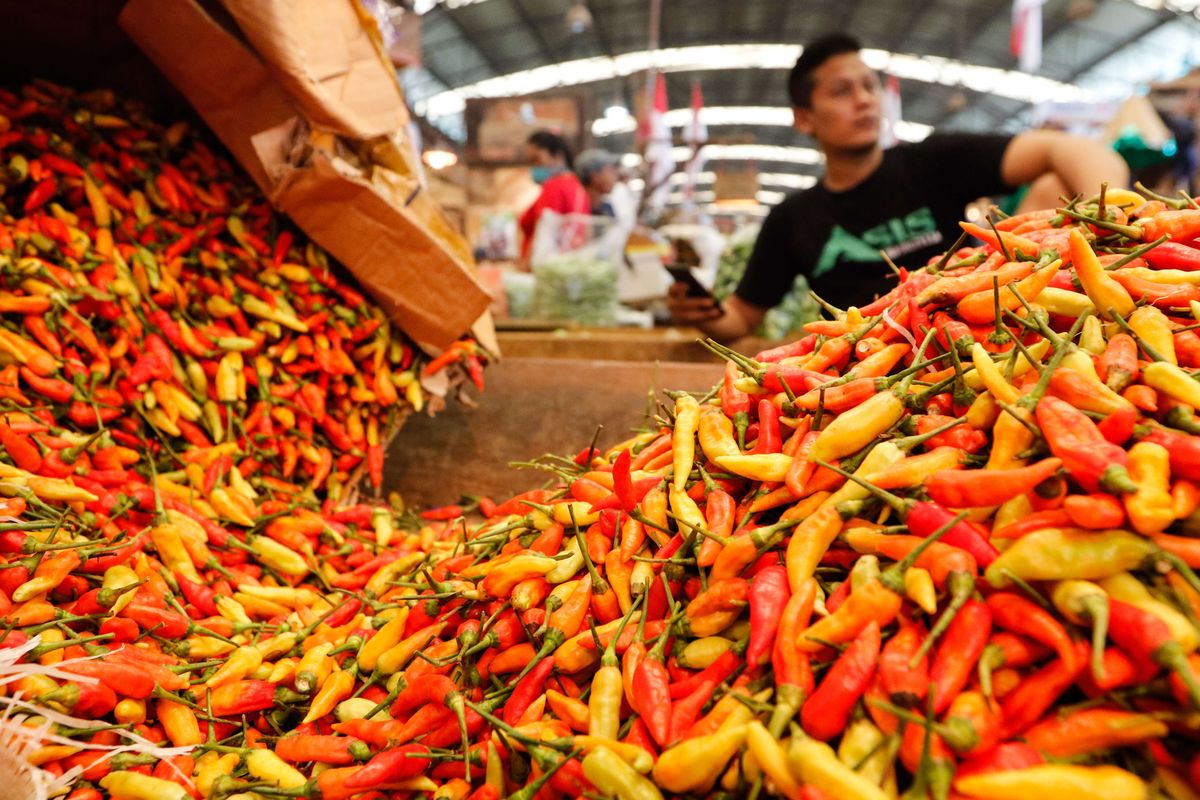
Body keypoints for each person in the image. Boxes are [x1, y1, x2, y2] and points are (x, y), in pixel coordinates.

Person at [668, 33, 1131, 341]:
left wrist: (1104, 224)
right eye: (842, 91)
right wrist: (701, 313)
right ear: (804, 118)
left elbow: (1073, 151)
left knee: (1054, 183)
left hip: (968, 338)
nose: (865, 99)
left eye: (870, 87)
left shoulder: (931, 161)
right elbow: (742, 316)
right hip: (868, 362)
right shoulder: (793, 218)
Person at [518, 130, 590, 262]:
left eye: (536, 159)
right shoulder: (576, 185)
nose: (533, 167)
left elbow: (543, 233)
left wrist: (524, 265)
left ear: (558, 156)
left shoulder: (554, 186)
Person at [575, 148, 621, 216]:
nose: (616, 177)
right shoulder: (576, 207)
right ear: (595, 176)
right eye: (611, 171)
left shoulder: (607, 208)